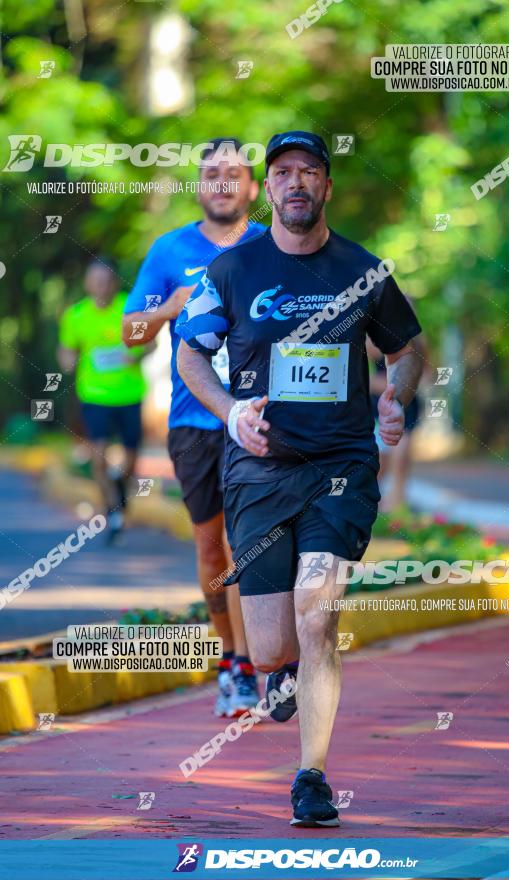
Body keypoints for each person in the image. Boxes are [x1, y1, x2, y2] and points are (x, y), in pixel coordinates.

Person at [175, 130, 423, 827]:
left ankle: (310, 775)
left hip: (339, 467)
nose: (295, 184)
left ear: (325, 186)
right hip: (257, 471)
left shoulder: (363, 270)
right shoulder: (233, 269)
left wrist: (393, 393)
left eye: (308, 172)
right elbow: (191, 355)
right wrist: (229, 415)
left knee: (319, 615)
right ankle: (275, 674)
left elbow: (406, 350)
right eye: (282, 172)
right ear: (269, 187)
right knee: (271, 647)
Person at [122, 138, 265, 718]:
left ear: (252, 188)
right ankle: (231, 657)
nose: (223, 183)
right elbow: (129, 337)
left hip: (260, 417)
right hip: (193, 422)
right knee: (214, 549)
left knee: (255, 543)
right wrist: (166, 309)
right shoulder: (168, 249)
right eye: (212, 173)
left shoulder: (273, 244)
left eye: (235, 174)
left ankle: (262, 662)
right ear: (199, 185)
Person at [58, 258, 148, 542]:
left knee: (131, 459)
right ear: (87, 284)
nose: (100, 287)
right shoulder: (76, 315)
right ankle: (113, 510)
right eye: (95, 281)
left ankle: (120, 491)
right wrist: (68, 361)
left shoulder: (129, 308)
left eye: (105, 281)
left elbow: (152, 343)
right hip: (94, 395)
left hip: (129, 393)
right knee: (98, 455)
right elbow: (66, 349)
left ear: (115, 284)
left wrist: (134, 354)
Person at [367, 332, 430, 512]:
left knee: (401, 458)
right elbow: (360, 373)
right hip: (379, 405)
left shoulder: (418, 340)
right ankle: (378, 506)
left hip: (406, 405)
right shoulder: (374, 337)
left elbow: (426, 375)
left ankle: (397, 508)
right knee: (379, 463)